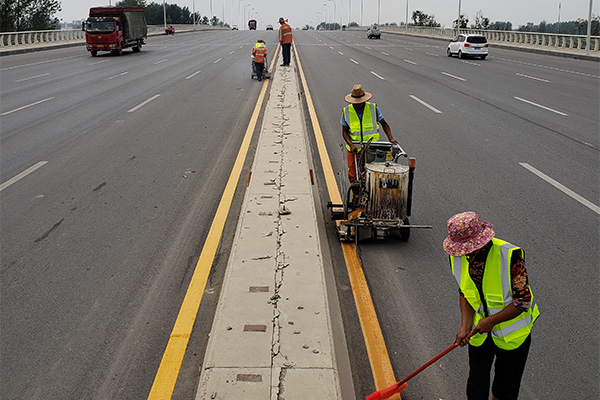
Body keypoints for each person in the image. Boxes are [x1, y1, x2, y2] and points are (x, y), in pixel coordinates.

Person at [444, 211, 540, 400]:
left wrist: (491, 321)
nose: (464, 253)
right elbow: (465, 291)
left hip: (513, 336)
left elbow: (523, 302)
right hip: (479, 333)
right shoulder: (457, 256)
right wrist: (465, 326)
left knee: (505, 390)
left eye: (467, 248)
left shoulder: (510, 256)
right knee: (476, 384)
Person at [341, 84, 398, 185]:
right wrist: (351, 144)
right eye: (355, 103)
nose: (358, 105)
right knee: (353, 177)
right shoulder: (347, 111)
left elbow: (384, 124)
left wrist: (391, 138)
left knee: (372, 176)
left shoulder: (373, 108)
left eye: (360, 103)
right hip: (355, 150)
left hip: (372, 150)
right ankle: (355, 198)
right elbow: (344, 131)